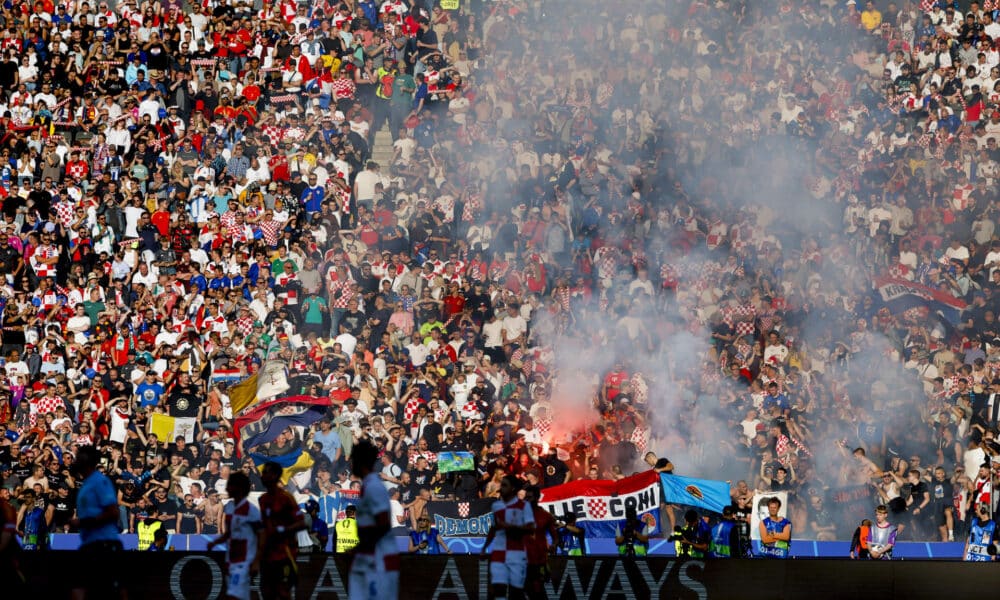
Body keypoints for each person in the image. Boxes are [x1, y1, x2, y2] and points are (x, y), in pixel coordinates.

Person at [70, 444, 126, 600]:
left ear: (85, 460)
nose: (75, 461)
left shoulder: (100, 481)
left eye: (77, 457)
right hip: (90, 543)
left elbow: (113, 512)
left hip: (104, 544)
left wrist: (83, 522)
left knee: (113, 590)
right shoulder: (86, 484)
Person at [348, 439, 399, 600]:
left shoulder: (374, 487)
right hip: (369, 558)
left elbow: (382, 524)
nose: (350, 463)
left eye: (353, 459)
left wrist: (359, 547)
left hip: (379, 561)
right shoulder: (368, 485)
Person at [207, 471, 261, 600]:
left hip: (244, 561)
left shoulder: (251, 510)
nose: (227, 488)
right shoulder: (230, 507)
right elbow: (231, 532)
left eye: (230, 485)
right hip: (230, 559)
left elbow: (262, 535)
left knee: (235, 595)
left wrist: (256, 561)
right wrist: (216, 542)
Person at [481, 475, 535, 600]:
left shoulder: (524, 506)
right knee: (498, 589)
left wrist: (511, 527)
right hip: (499, 552)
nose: (501, 489)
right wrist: (485, 547)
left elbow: (531, 528)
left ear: (513, 489)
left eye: (505, 486)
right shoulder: (496, 506)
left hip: (516, 553)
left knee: (516, 590)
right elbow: (493, 529)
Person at [258, 462, 306, 600]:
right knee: (267, 593)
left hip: (284, 555)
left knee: (283, 593)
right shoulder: (263, 500)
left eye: (266, 473)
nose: (263, 476)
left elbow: (301, 523)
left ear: (275, 476)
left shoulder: (286, 498)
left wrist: (282, 530)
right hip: (267, 557)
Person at [522, 485, 558, 600]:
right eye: (525, 497)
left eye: (530, 497)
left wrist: (553, 545)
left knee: (537, 591)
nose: (526, 500)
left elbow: (555, 537)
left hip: (539, 560)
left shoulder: (546, 516)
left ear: (537, 498)